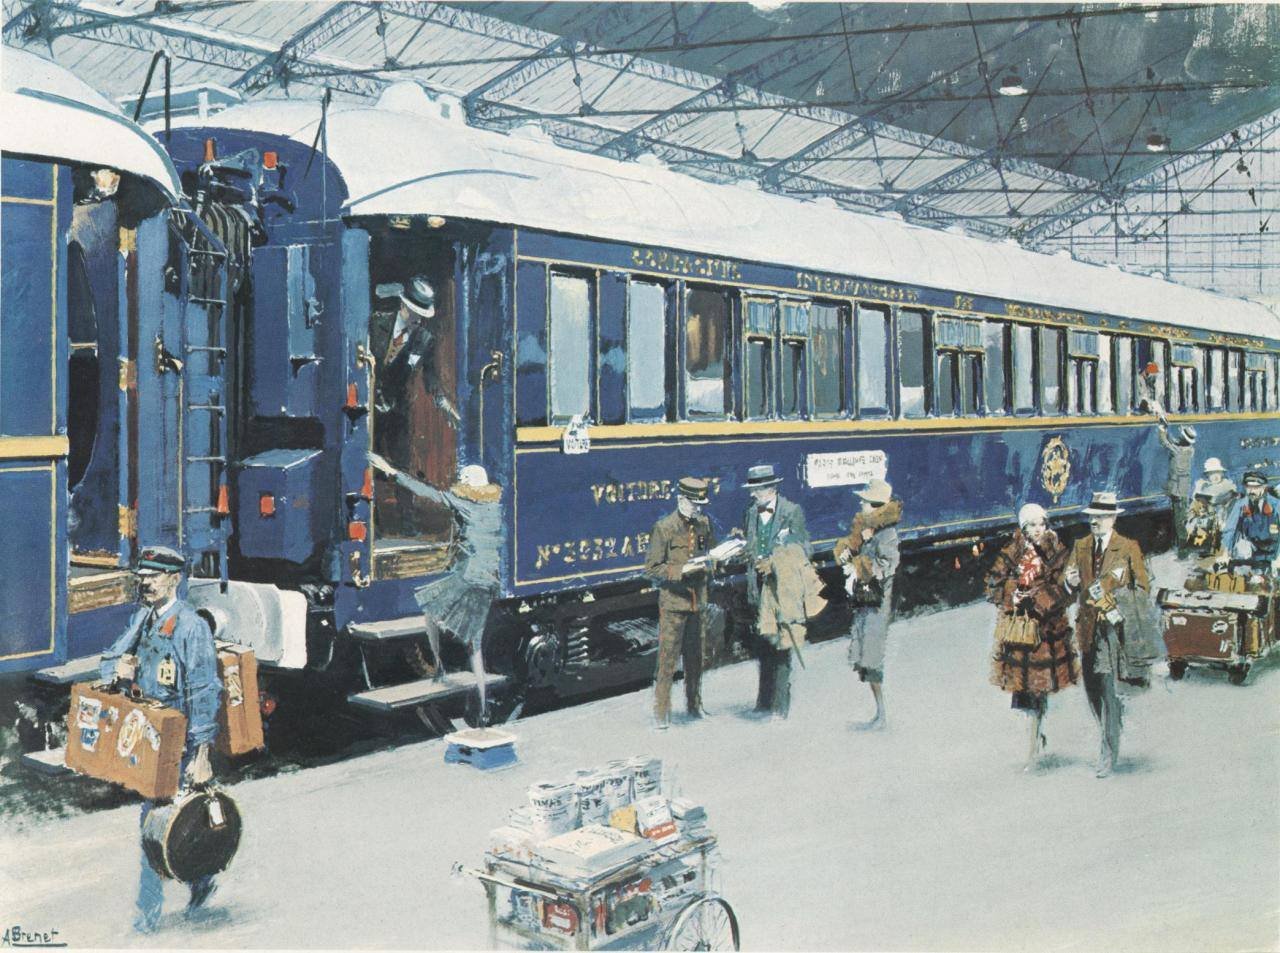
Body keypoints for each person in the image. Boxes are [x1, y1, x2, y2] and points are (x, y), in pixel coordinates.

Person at [98, 545, 222, 933]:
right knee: (161, 822)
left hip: (182, 740)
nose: (146, 583)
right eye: (143, 577)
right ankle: (191, 888)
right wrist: (116, 670)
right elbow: (111, 657)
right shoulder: (144, 618)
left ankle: (151, 914)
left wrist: (202, 753)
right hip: (154, 738)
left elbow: (204, 690)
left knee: (170, 820)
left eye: (154, 576)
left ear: (175, 579)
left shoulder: (191, 626)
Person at [373, 457, 504, 712]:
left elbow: (429, 494)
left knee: (430, 610)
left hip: (466, 578)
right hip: (489, 580)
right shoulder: (495, 508)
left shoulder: (464, 503)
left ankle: (439, 668)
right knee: (474, 645)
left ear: (467, 484)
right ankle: (483, 706)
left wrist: (392, 472)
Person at [1064, 492, 1151, 779]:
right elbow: (1068, 586)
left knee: (1108, 688)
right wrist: (1069, 583)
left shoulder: (1128, 547)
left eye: (1101, 516)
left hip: (1114, 630)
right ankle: (1109, 728)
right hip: (1088, 628)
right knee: (1092, 689)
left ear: (1113, 518)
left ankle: (1108, 751)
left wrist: (1119, 601)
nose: (1095, 521)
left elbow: (1143, 588)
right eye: (1092, 517)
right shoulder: (1081, 546)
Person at [985, 504, 1079, 770]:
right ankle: (1033, 743)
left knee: (1038, 690)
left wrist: (1037, 599)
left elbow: (1066, 591)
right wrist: (1013, 594)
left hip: (1046, 634)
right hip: (1019, 634)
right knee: (1026, 693)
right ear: (1024, 528)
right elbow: (992, 584)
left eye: (1042, 524)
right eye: (1032, 525)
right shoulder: (1012, 551)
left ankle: (1033, 745)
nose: (1038, 530)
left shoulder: (1058, 552)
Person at [741, 464, 811, 719]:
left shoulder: (791, 512)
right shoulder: (751, 512)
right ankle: (763, 702)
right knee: (763, 644)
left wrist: (775, 563)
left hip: (782, 589)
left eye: (757, 489)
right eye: (751, 490)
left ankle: (780, 707)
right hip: (759, 588)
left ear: (771, 489)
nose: (752, 494)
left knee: (782, 645)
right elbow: (752, 546)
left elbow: (804, 549)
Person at [644, 477, 715, 728]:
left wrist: (715, 561)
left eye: (700, 505)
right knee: (667, 661)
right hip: (674, 604)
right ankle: (661, 714)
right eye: (693, 504)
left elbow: (708, 553)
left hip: (697, 602)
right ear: (680, 499)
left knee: (695, 659)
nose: (697, 509)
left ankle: (695, 706)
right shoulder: (664, 528)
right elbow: (652, 569)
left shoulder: (704, 524)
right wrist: (680, 571)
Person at [839, 479, 901, 731]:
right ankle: (879, 713)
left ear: (875, 506)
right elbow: (859, 554)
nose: (860, 505)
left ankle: (882, 716)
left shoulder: (887, 534)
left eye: (864, 501)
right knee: (866, 657)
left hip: (877, 604)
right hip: (865, 602)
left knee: (872, 658)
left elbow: (887, 566)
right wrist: (849, 553)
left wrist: (858, 566)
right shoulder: (868, 529)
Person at [1220, 470, 1280, 575]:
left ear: (1264, 487)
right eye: (1248, 487)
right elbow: (1230, 529)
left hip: (1272, 551)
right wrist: (1225, 553)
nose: (1251, 491)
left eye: (1256, 487)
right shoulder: (1241, 504)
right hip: (1249, 551)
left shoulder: (1276, 505)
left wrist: (1278, 558)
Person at [1156, 423, 1196, 557]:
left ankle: (1183, 550)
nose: (1180, 436)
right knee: (1179, 519)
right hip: (1181, 489)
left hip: (1178, 490)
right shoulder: (1188, 449)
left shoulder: (1180, 451)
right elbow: (1172, 440)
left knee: (1180, 521)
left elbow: (1165, 443)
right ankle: (1179, 546)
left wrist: (1162, 429)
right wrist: (1166, 429)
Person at [1186, 457, 1238, 554]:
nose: (1215, 476)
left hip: (1224, 516)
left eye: (1217, 472)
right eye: (1212, 473)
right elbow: (1195, 506)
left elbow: (1233, 504)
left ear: (1222, 473)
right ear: (1207, 475)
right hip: (1207, 518)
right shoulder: (1202, 486)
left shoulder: (1227, 485)